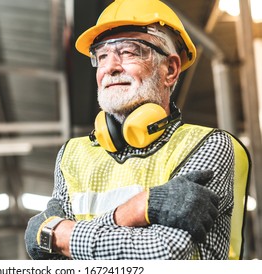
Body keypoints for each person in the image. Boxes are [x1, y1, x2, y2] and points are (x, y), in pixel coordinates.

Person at [24, 0, 250, 260]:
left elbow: (163, 254)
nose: (110, 67)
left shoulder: (208, 145)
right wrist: (133, 211)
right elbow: (51, 262)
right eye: (102, 56)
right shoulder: (72, 155)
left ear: (171, 70)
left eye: (129, 52)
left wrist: (60, 235)